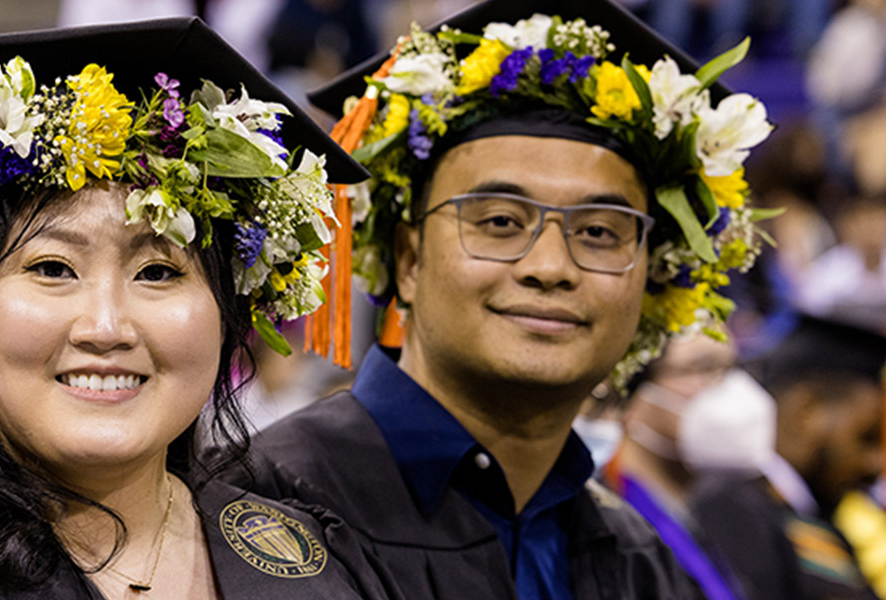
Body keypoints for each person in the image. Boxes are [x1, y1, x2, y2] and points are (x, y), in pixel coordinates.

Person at [0, 18, 394, 599]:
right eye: (52, 269)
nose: (106, 327)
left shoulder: (308, 563)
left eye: (158, 272)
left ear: (232, 315)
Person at [231, 0, 775, 597]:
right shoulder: (267, 504)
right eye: (498, 222)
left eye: (598, 232)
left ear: (650, 278)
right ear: (408, 260)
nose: (550, 267)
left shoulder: (638, 558)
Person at [689, 316, 886, 600]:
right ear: (806, 412)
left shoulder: (811, 516)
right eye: (865, 437)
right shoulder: (733, 509)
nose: (876, 464)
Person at [606, 333, 771, 600]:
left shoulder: (704, 518)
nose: (730, 387)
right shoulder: (610, 524)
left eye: (732, 368)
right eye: (705, 368)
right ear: (633, 389)